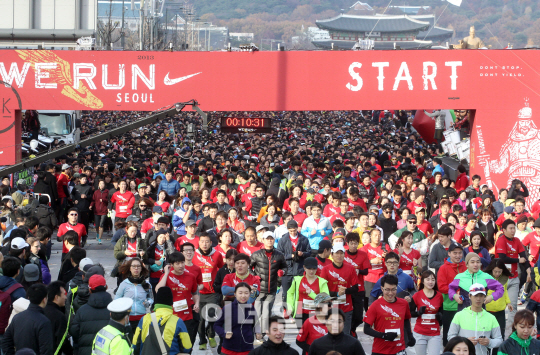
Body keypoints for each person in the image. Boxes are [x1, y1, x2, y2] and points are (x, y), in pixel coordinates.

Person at [155, 252, 199, 346]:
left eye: (182, 262)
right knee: (172, 345)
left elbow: (195, 293)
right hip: (171, 316)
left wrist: (197, 303)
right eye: (177, 263)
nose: (181, 265)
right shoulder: (166, 276)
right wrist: (166, 273)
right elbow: (158, 290)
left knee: (187, 345)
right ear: (171, 265)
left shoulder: (191, 277)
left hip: (187, 316)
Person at [364, 274, 415, 355]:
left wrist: (410, 336)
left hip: (399, 349)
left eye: (393, 289)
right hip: (380, 350)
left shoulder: (403, 303)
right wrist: (384, 336)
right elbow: (366, 329)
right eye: (387, 289)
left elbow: (406, 321)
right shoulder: (375, 305)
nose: (390, 293)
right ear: (382, 288)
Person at [132, 287, 193, 355]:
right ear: (171, 304)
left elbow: (135, 344)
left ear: (156, 302)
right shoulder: (178, 321)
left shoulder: (144, 319)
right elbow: (187, 347)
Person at [448, 283, 503, 355]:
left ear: (484, 297)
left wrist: (489, 342)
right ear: (469, 296)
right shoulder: (459, 315)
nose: (478, 299)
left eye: (481, 296)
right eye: (475, 295)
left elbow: (499, 340)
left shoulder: (491, 318)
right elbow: (450, 337)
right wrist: (465, 341)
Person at [495, 219, 530, 328]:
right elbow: (502, 258)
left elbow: (524, 256)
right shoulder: (501, 240)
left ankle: (510, 331)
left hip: (514, 277)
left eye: (514, 228)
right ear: (504, 230)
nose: (513, 230)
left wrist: (529, 271)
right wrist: (518, 260)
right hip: (500, 278)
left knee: (513, 305)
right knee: (497, 305)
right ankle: (496, 328)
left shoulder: (517, 241)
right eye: (510, 228)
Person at [251, 231, 287, 337]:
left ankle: (261, 334)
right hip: (258, 290)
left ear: (274, 240)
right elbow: (248, 267)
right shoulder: (257, 254)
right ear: (263, 240)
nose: (269, 240)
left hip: (271, 289)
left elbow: (285, 267)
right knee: (257, 312)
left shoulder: (279, 255)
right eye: (267, 238)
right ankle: (255, 332)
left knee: (266, 312)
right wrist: (254, 276)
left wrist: (282, 272)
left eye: (271, 238)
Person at [1, 284, 53, 355]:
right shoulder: (44, 322)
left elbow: (5, 341)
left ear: (28, 297)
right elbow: (46, 350)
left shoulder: (17, 317)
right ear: (44, 299)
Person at [320, 244, 359, 335]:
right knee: (331, 335)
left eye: (341, 253)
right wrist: (337, 294)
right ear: (332, 255)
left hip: (346, 308)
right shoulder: (326, 270)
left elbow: (356, 288)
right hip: (330, 308)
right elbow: (322, 291)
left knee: (345, 335)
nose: (339, 255)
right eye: (337, 253)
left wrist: (345, 291)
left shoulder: (350, 268)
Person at [193, 233, 224, 350]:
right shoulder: (194, 255)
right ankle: (202, 340)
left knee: (212, 315)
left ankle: (210, 335)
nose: (204, 244)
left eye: (207, 241)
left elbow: (221, 269)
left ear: (211, 243)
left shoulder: (217, 255)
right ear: (199, 243)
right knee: (201, 319)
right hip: (198, 293)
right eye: (202, 241)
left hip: (213, 292)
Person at [214, 282, 262, 355]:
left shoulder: (251, 308)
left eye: (246, 293)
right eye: (240, 293)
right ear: (235, 294)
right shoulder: (227, 308)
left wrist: (258, 332)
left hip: (247, 349)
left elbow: (256, 324)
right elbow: (216, 325)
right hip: (228, 349)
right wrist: (224, 333)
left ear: (249, 294)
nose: (243, 296)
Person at [69, 275, 113, 355]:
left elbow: (74, 332)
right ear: (106, 287)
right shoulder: (115, 310)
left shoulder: (81, 311)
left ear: (89, 290)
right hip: (109, 351)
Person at [277, 219, 311, 306]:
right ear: (287, 229)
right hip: (287, 270)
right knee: (286, 293)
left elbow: (309, 252)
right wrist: (290, 256)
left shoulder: (303, 239)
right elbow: (278, 255)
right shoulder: (283, 240)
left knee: (298, 292)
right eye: (290, 231)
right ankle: (286, 310)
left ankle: (297, 312)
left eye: (294, 230)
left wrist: (302, 254)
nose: (293, 232)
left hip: (299, 269)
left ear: (297, 228)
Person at [437, 243, 466, 345]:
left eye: (460, 253)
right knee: (449, 336)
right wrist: (456, 292)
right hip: (449, 306)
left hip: (464, 305)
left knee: (463, 335)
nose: (458, 256)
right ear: (449, 253)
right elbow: (441, 287)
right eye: (455, 253)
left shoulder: (466, 267)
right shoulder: (443, 268)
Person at [286, 257, 330, 324]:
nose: (312, 271)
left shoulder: (322, 282)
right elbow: (290, 293)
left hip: (315, 314)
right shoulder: (297, 280)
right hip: (300, 313)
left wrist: (312, 294)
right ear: (304, 267)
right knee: (302, 334)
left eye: (314, 269)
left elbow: (326, 299)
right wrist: (290, 307)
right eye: (309, 269)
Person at [115, 258, 154, 331]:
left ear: (141, 269)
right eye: (133, 266)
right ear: (130, 268)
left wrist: (148, 302)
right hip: (128, 318)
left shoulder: (146, 284)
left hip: (142, 318)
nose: (136, 268)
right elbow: (117, 299)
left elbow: (151, 298)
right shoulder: (124, 284)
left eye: (138, 266)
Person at [410, 270, 443, 355]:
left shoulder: (439, 295)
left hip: (434, 333)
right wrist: (418, 313)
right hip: (420, 332)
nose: (430, 282)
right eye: (428, 279)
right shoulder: (417, 295)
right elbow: (410, 313)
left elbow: (441, 311)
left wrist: (440, 316)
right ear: (423, 281)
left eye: (433, 279)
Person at [43, 281, 73, 355]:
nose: (65, 297)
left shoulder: (42, 310)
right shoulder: (59, 316)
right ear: (56, 297)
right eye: (63, 294)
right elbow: (62, 341)